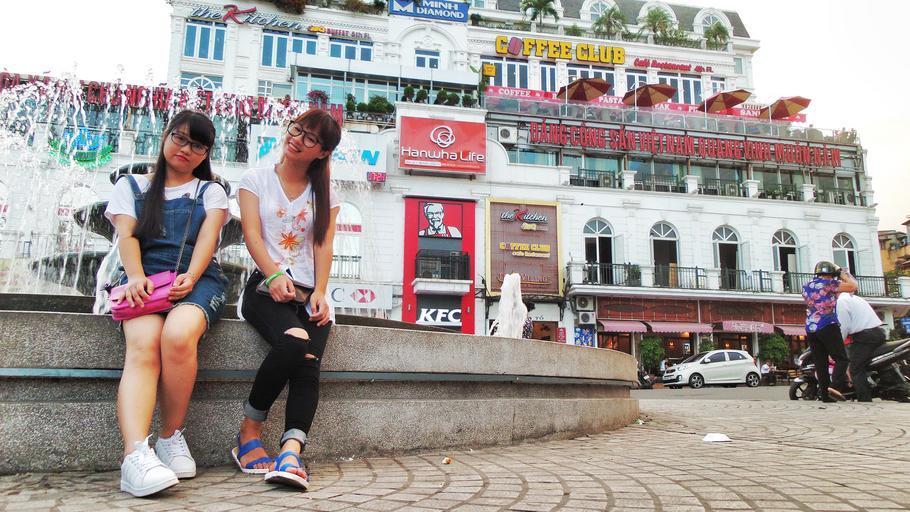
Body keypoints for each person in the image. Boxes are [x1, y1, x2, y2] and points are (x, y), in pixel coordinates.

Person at [105, 111, 229, 497]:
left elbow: (207, 239)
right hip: (143, 277)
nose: (186, 149)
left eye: (198, 145)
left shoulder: (210, 191)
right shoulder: (131, 185)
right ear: (166, 135)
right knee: (143, 345)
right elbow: (127, 236)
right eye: (180, 138)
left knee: (177, 335)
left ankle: (170, 437)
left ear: (206, 153)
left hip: (198, 278)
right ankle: (134, 456)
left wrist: (191, 276)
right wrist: (135, 277)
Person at [233, 109, 342, 490]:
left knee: (309, 364)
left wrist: (322, 292)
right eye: (297, 129)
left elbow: (323, 244)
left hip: (309, 295)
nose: (297, 139)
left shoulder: (325, 193)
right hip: (265, 289)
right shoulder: (256, 179)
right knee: (296, 342)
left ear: (322, 152)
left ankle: (291, 451)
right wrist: (274, 274)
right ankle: (249, 431)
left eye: (310, 138)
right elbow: (251, 235)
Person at [802, 261, 857, 402]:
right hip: (827, 325)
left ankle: (825, 396)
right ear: (831, 274)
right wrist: (842, 274)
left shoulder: (807, 285)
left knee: (820, 363)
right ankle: (835, 387)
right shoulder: (830, 284)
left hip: (811, 328)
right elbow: (853, 286)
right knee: (842, 359)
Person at [836, 289, 886, 402]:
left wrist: (837, 344)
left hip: (864, 337)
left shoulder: (841, 302)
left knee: (855, 368)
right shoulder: (856, 298)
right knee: (868, 363)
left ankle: (864, 399)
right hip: (877, 333)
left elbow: (844, 327)